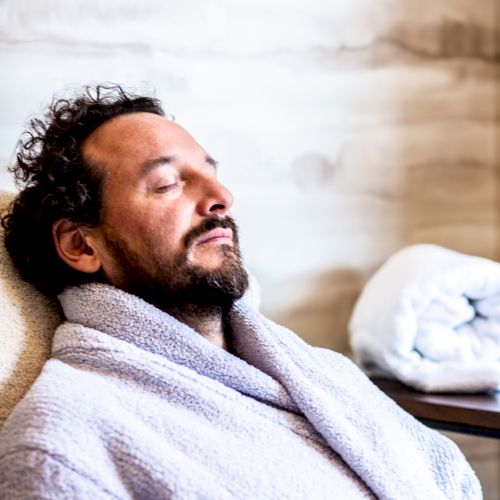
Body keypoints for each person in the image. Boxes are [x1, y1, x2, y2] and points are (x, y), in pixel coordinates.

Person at [0, 85, 481, 499]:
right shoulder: (65, 443)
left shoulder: (322, 374)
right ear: (80, 244)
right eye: (167, 183)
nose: (221, 197)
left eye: (211, 171)